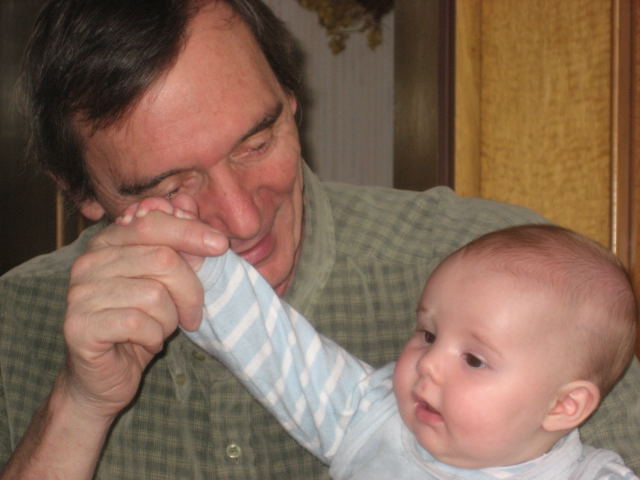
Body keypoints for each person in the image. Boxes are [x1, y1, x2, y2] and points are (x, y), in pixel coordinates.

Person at [0, 0, 638, 478]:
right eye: (170, 187)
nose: (242, 221)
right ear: (81, 193)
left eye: (257, 143)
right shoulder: (14, 322)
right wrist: (78, 407)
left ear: (291, 98)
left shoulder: (522, 287)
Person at [121, 200, 638, 478]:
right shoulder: (370, 415)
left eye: (474, 360)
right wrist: (203, 267)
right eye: (428, 334)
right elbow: (275, 349)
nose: (429, 364)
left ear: (564, 405)